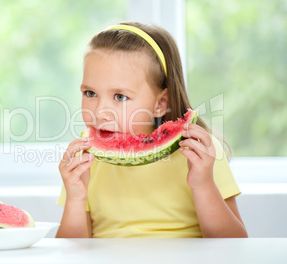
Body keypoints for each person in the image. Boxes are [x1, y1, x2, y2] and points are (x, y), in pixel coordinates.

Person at [55, 22, 248, 238]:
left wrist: (203, 185)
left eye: (120, 97)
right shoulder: (85, 160)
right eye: (90, 93)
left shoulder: (200, 153)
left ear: (160, 103)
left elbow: (234, 245)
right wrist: (75, 197)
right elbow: (71, 252)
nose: (100, 112)